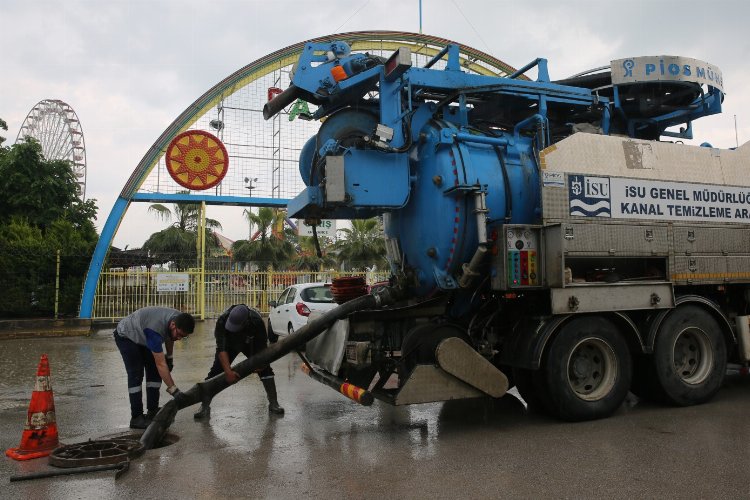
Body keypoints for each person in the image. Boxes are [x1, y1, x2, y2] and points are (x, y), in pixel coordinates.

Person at [193, 304, 284, 420]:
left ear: (246, 322)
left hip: (250, 342)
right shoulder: (222, 320)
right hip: (229, 344)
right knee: (215, 372)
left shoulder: (256, 321)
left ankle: (274, 403)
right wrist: (228, 371)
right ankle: (204, 406)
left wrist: (262, 364)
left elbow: (262, 349)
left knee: (266, 369)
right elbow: (221, 349)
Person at [114, 306, 195, 429]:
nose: (179, 338)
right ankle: (136, 417)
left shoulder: (178, 319)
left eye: (182, 337)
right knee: (136, 374)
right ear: (173, 325)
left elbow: (170, 336)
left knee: (154, 372)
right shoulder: (155, 331)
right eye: (179, 334)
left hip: (143, 334)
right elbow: (161, 364)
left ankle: (152, 410)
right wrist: (174, 390)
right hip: (127, 335)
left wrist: (170, 357)